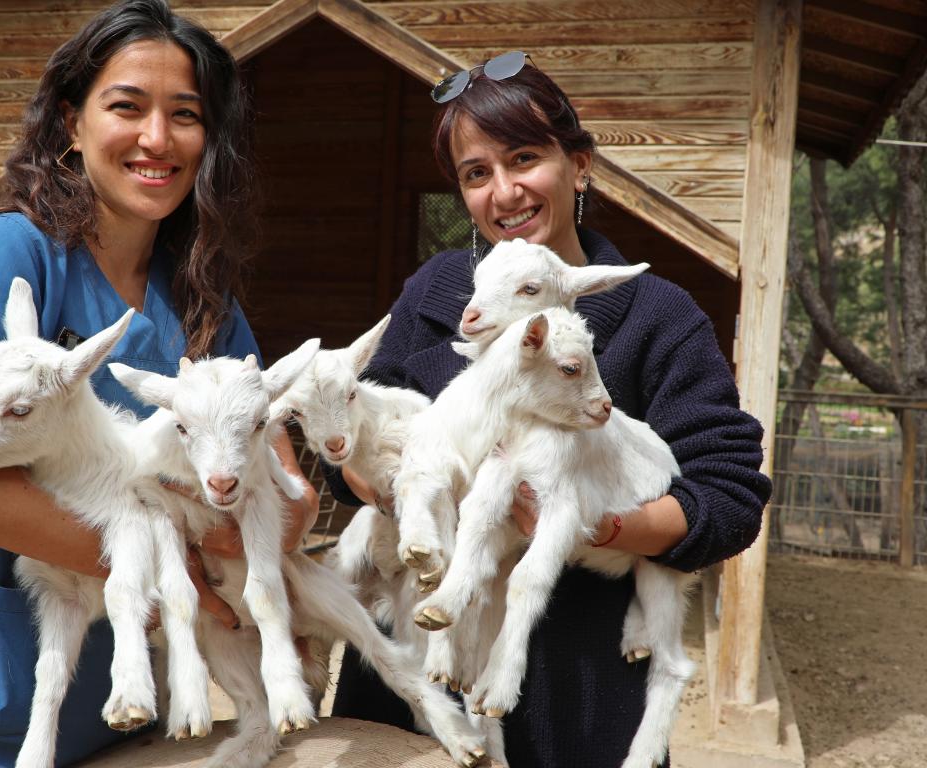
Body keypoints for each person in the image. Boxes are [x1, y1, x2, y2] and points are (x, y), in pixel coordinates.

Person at [0, 2, 317, 765]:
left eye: (186, 115)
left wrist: (212, 553)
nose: (157, 139)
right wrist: (167, 574)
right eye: (127, 107)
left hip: (133, 725)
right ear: (71, 122)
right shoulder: (12, 249)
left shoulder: (208, 306)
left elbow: (289, 494)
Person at [325, 53, 772, 767]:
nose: (504, 192)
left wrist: (597, 525)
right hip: (414, 693)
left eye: (524, 158)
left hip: (581, 704)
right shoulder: (437, 292)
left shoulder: (658, 317)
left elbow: (728, 495)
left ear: (580, 165)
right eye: (476, 174)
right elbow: (349, 434)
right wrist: (403, 488)